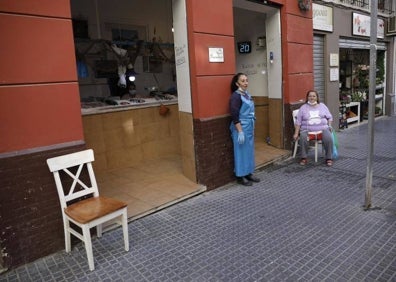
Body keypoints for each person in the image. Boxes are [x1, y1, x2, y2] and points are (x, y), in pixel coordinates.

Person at [229, 73, 260, 186]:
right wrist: (240, 131)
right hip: (240, 127)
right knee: (240, 152)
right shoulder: (235, 96)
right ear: (237, 83)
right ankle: (240, 176)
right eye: (243, 81)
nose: (246, 83)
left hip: (249, 127)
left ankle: (248, 173)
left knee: (248, 151)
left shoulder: (246, 94)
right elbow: (234, 115)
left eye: (246, 80)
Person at [293, 90, 334, 166]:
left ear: (317, 97)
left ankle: (329, 158)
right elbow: (298, 122)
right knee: (303, 137)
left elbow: (330, 117)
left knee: (328, 138)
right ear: (307, 97)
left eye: (314, 96)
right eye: (310, 96)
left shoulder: (322, 106)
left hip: (322, 130)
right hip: (307, 130)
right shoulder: (303, 107)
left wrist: (329, 125)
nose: (312, 97)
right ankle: (304, 158)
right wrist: (296, 133)